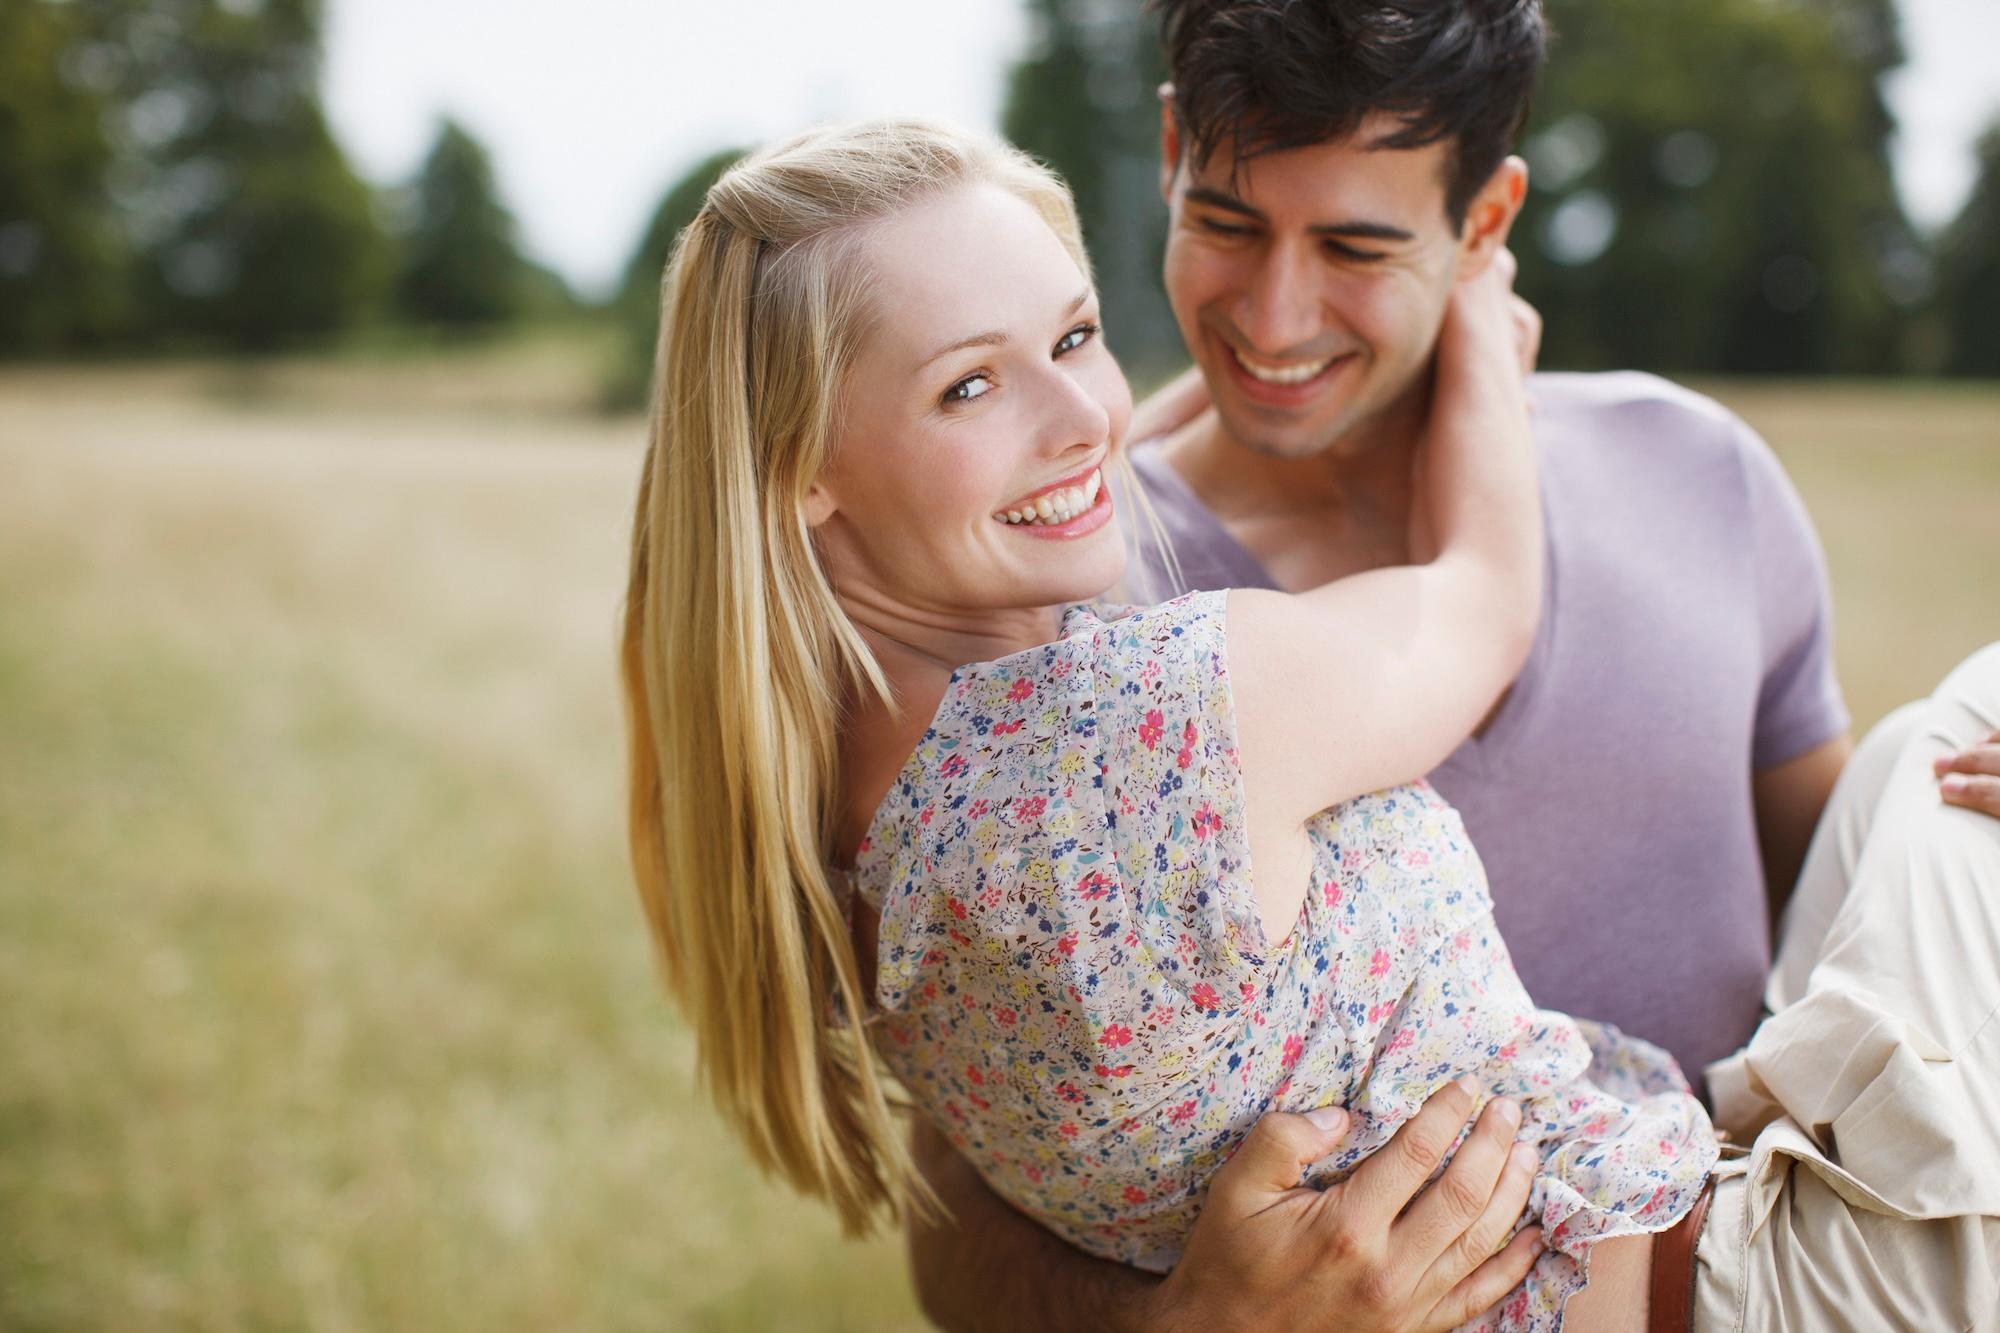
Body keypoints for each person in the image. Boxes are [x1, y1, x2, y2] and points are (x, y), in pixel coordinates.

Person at [616, 117, 2000, 1330]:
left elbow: (1077, 453)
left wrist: (1174, 391)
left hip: (1721, 1220)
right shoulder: (1168, 708)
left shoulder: (851, 825)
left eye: (1077, 337)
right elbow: (1482, 601)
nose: (1082, 419)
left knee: (1905, 768)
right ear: (798, 466)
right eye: (969, 384)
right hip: (1791, 1290)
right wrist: (1475, 329)